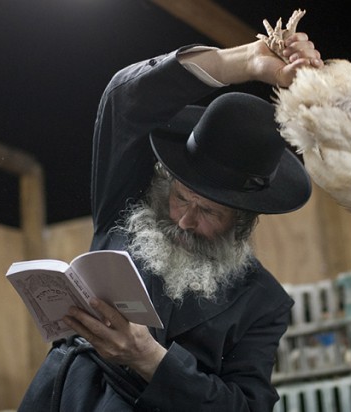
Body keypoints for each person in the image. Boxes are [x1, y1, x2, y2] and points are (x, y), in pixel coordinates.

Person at [18, 28, 323, 411]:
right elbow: (125, 100)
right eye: (181, 197)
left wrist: (149, 359)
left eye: (210, 211)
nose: (185, 220)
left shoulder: (263, 301)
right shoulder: (127, 208)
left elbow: (246, 407)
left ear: (243, 222)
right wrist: (243, 61)